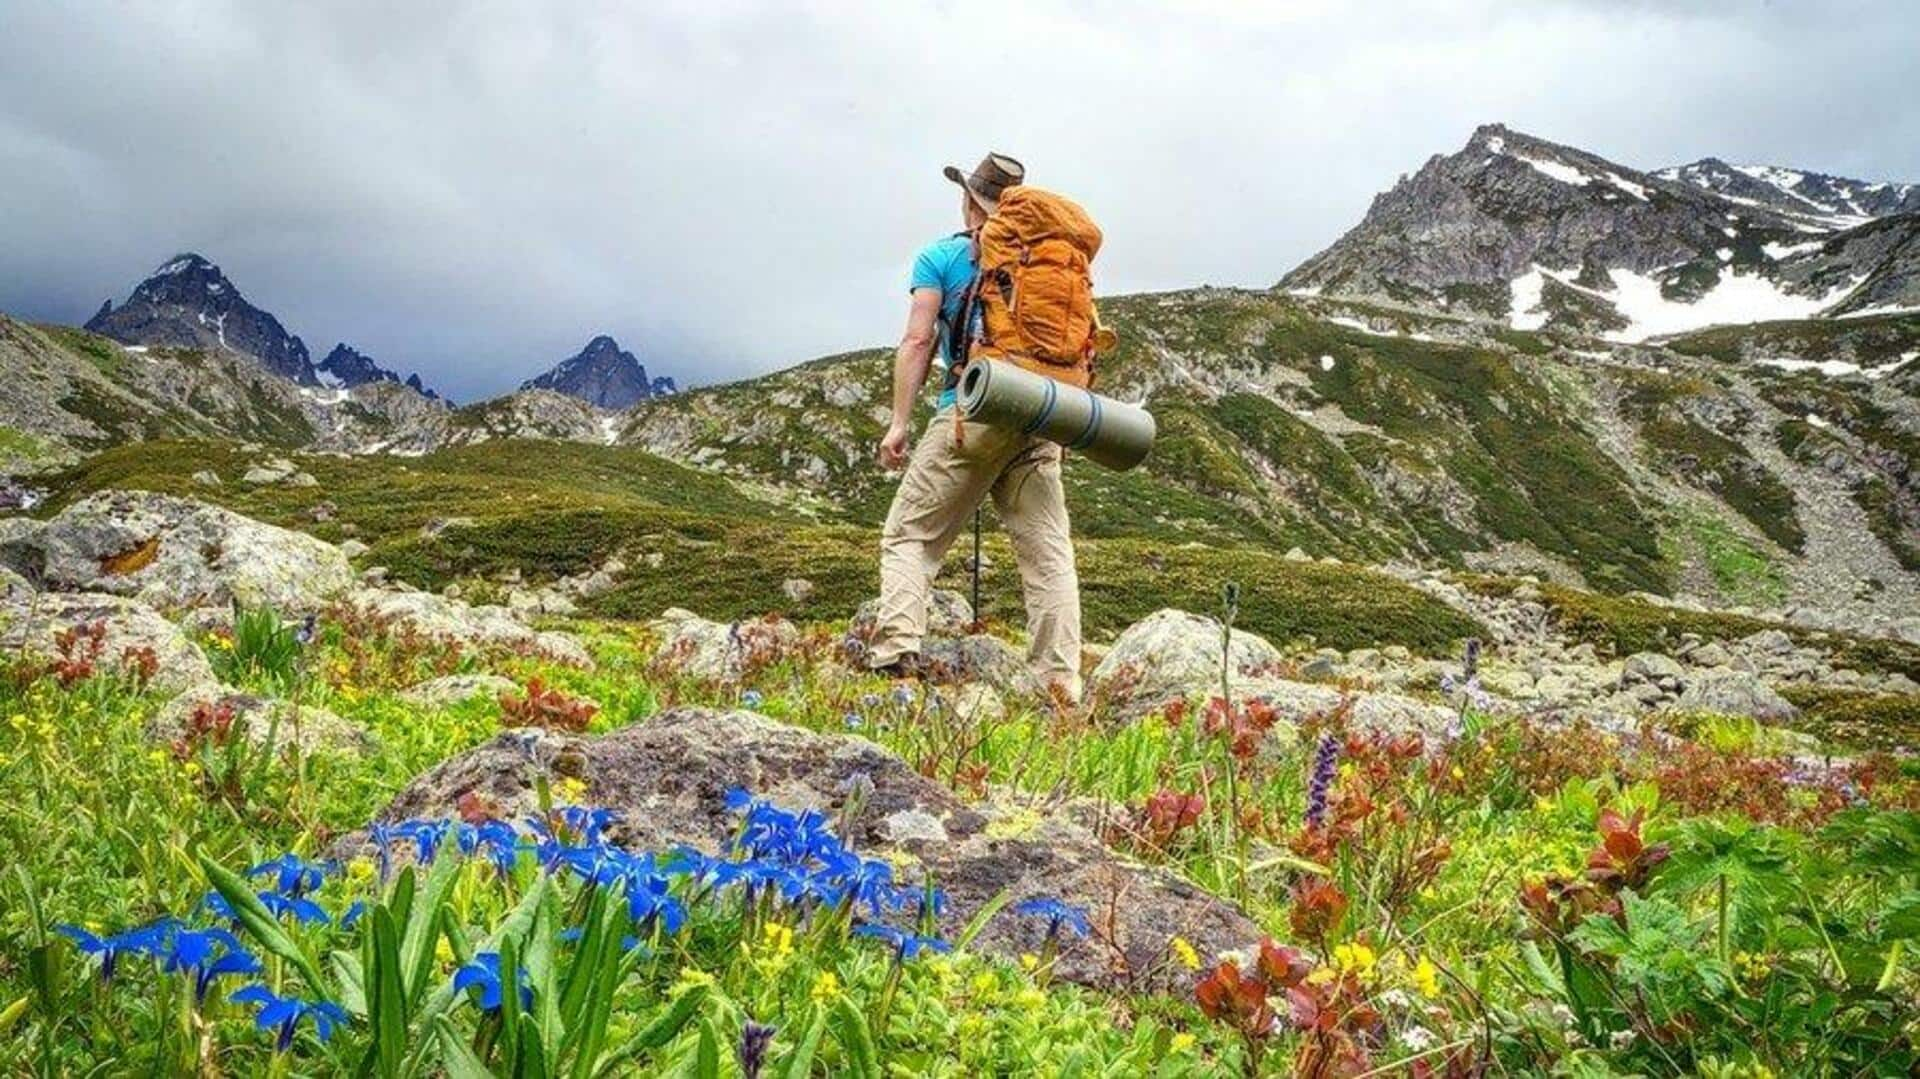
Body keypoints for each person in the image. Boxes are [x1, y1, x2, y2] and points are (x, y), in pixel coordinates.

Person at [868, 151, 1083, 702]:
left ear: (968, 199)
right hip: (1043, 412)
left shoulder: (941, 256)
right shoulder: (1051, 260)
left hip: (975, 406)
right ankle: (1059, 686)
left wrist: (898, 424)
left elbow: (918, 340)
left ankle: (896, 655)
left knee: (910, 534)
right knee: (1048, 554)